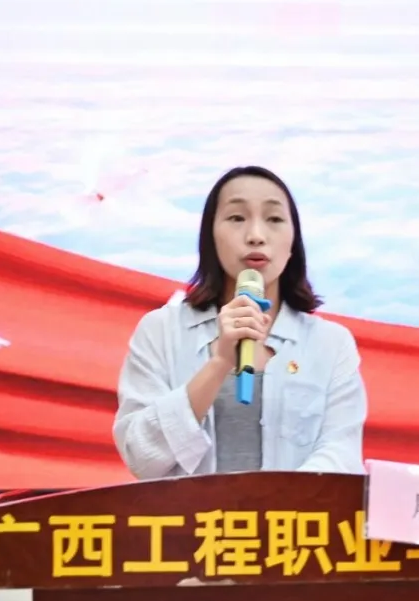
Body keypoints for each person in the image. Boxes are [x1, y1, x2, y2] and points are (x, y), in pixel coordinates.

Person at [112, 165, 368, 479]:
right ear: (210, 237)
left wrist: (274, 503)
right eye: (237, 218)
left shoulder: (330, 344)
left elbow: (341, 457)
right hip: (190, 513)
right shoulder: (161, 331)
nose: (256, 236)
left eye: (274, 219)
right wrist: (219, 363)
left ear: (293, 242)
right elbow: (141, 458)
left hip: (291, 511)